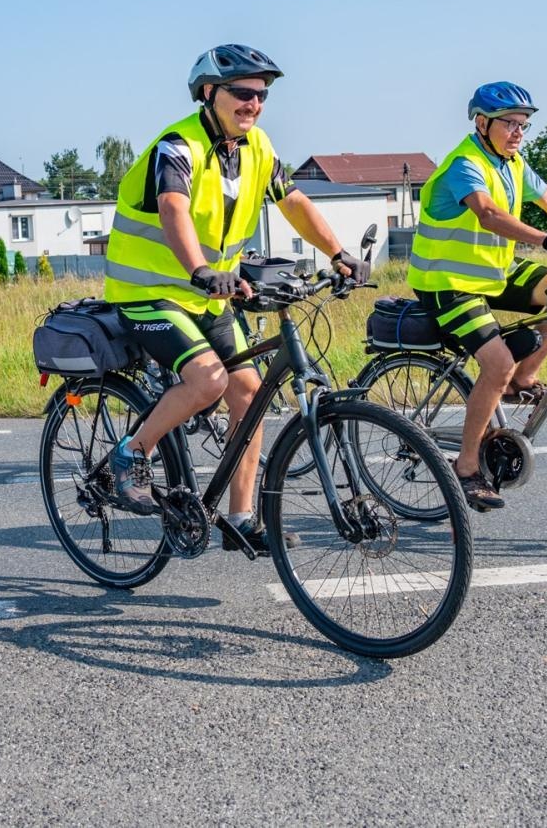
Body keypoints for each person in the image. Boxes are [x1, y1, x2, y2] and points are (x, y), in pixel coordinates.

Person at [102, 44, 371, 555]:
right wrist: (201, 270)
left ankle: (240, 518)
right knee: (208, 380)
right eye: (243, 93)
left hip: (209, 296)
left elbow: (292, 201)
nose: (254, 103)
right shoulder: (179, 146)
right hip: (150, 293)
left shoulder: (258, 149)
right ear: (209, 93)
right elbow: (172, 208)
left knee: (249, 395)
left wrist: (338, 252)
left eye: (262, 95)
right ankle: (131, 452)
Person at [405, 81, 547, 512]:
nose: (518, 132)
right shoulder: (466, 163)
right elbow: (488, 213)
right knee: (495, 362)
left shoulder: (513, 163)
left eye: (523, 125)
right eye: (509, 124)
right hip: (447, 282)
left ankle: (523, 378)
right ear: (482, 123)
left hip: (492, 274)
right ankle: (465, 467)